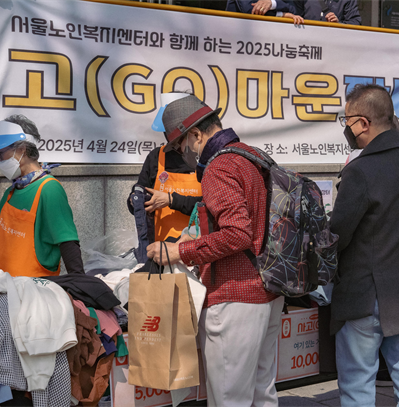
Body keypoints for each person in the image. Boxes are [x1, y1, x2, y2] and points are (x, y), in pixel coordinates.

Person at [147, 95, 284, 406]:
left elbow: (237, 233)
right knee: (263, 394)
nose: (182, 153)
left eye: (180, 145)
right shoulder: (252, 155)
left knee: (229, 399)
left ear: (196, 134)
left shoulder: (219, 167)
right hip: (270, 289)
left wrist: (180, 252)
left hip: (236, 296)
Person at [330, 84, 399, 405]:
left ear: (363, 123)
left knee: (358, 384)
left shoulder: (360, 170)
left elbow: (337, 234)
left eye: (347, 121)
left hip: (364, 295)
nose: (346, 128)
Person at [0, 115, 84, 278]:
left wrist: (80, 284)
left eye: (1, 154)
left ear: (22, 149)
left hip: (31, 289)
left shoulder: (49, 189)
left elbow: (67, 241)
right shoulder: (10, 192)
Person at [128, 93, 203, 252]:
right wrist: (135, 201)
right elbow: (141, 191)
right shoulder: (157, 157)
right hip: (161, 251)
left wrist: (171, 200)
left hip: (200, 250)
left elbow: (210, 205)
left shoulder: (207, 159)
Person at [226, 0, 304, 23]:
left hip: (272, 40)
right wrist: (282, 14)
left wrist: (272, 3)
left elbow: (294, 9)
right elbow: (250, 10)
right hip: (239, 39)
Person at [294, 0, 361, 24]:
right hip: (309, 42)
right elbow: (295, 15)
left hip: (334, 42)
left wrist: (339, 24)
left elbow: (355, 22)